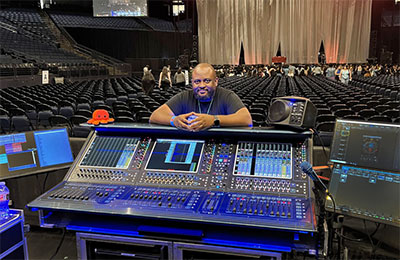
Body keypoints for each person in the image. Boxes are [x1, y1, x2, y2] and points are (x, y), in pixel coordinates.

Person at [149, 63, 253, 131]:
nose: (202, 85)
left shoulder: (227, 96)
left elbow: (246, 119)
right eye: (197, 82)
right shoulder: (184, 96)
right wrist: (174, 120)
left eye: (207, 81)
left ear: (216, 81)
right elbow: (155, 116)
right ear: (192, 83)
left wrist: (214, 120)